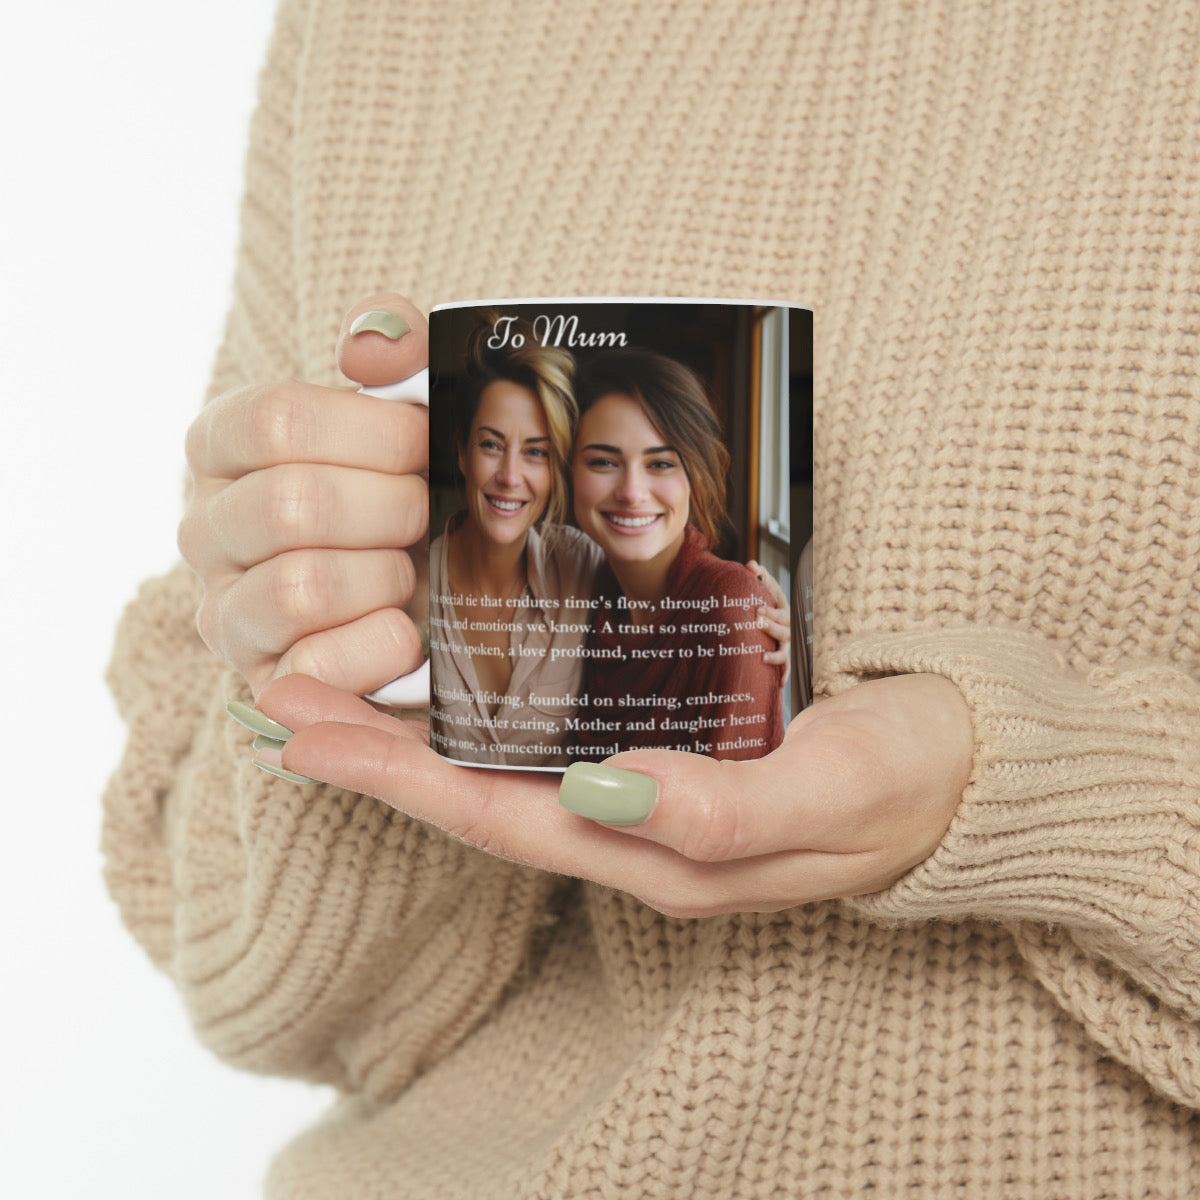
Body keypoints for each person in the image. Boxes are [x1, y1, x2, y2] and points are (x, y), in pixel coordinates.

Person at [103, 1, 1200, 1197]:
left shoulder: (721, 601)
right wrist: (349, 683)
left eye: (659, 466)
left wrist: (1034, 791)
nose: (621, 493)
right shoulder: (376, 33)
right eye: (598, 465)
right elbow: (239, 972)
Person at [568, 348, 785, 762]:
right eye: (602, 461)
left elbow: (739, 811)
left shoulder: (734, 605)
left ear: (695, 475)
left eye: (661, 464)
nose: (631, 492)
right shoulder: (585, 590)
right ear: (570, 474)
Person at [428, 315, 601, 768]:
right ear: (461, 451)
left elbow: (674, 586)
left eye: (535, 453)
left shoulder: (581, 564)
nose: (509, 477)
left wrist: (754, 602)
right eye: (491, 445)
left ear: (554, 467)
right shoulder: (415, 580)